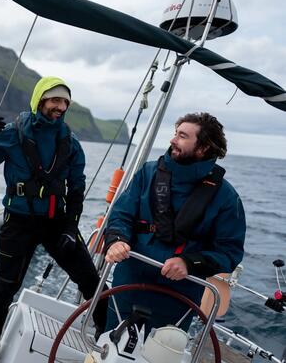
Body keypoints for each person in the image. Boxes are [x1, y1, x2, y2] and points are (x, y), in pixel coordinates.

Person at [0, 76, 108, 363]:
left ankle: (106, 342)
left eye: (65, 101)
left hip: (57, 224)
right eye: (55, 100)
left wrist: (70, 228)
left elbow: (77, 190)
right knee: (3, 288)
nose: (61, 106)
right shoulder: (14, 132)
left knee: (93, 282)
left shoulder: (71, 143)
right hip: (18, 222)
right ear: (40, 100)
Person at [104, 112, 246, 335]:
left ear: (203, 148)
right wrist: (116, 241)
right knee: (108, 345)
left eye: (182, 136)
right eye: (175, 133)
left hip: (178, 297)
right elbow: (121, 214)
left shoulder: (226, 198)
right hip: (129, 282)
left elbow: (230, 252)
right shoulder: (147, 173)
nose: (172, 140)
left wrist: (189, 263)